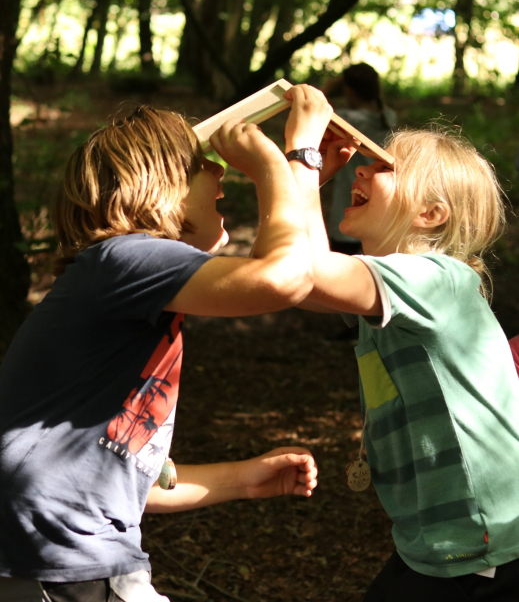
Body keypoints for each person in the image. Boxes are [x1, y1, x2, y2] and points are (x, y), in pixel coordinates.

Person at [0, 95, 324, 601]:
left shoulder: (119, 281)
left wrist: (243, 480)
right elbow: (285, 279)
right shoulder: (123, 258)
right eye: (205, 165)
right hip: (68, 566)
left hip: (67, 563)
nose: (222, 176)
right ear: (159, 189)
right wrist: (284, 163)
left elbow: (125, 481)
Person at [282, 85, 519, 601]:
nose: (360, 171)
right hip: (433, 546)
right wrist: (311, 181)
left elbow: (304, 273)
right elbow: (290, 283)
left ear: (430, 215)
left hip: (485, 551)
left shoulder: (438, 281)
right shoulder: (391, 289)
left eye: (383, 167)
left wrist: (299, 156)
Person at [322, 62, 397, 255]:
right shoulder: (389, 116)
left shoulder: (346, 119)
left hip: (347, 208)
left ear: (348, 90)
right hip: (379, 214)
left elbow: (313, 109)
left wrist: (328, 88)